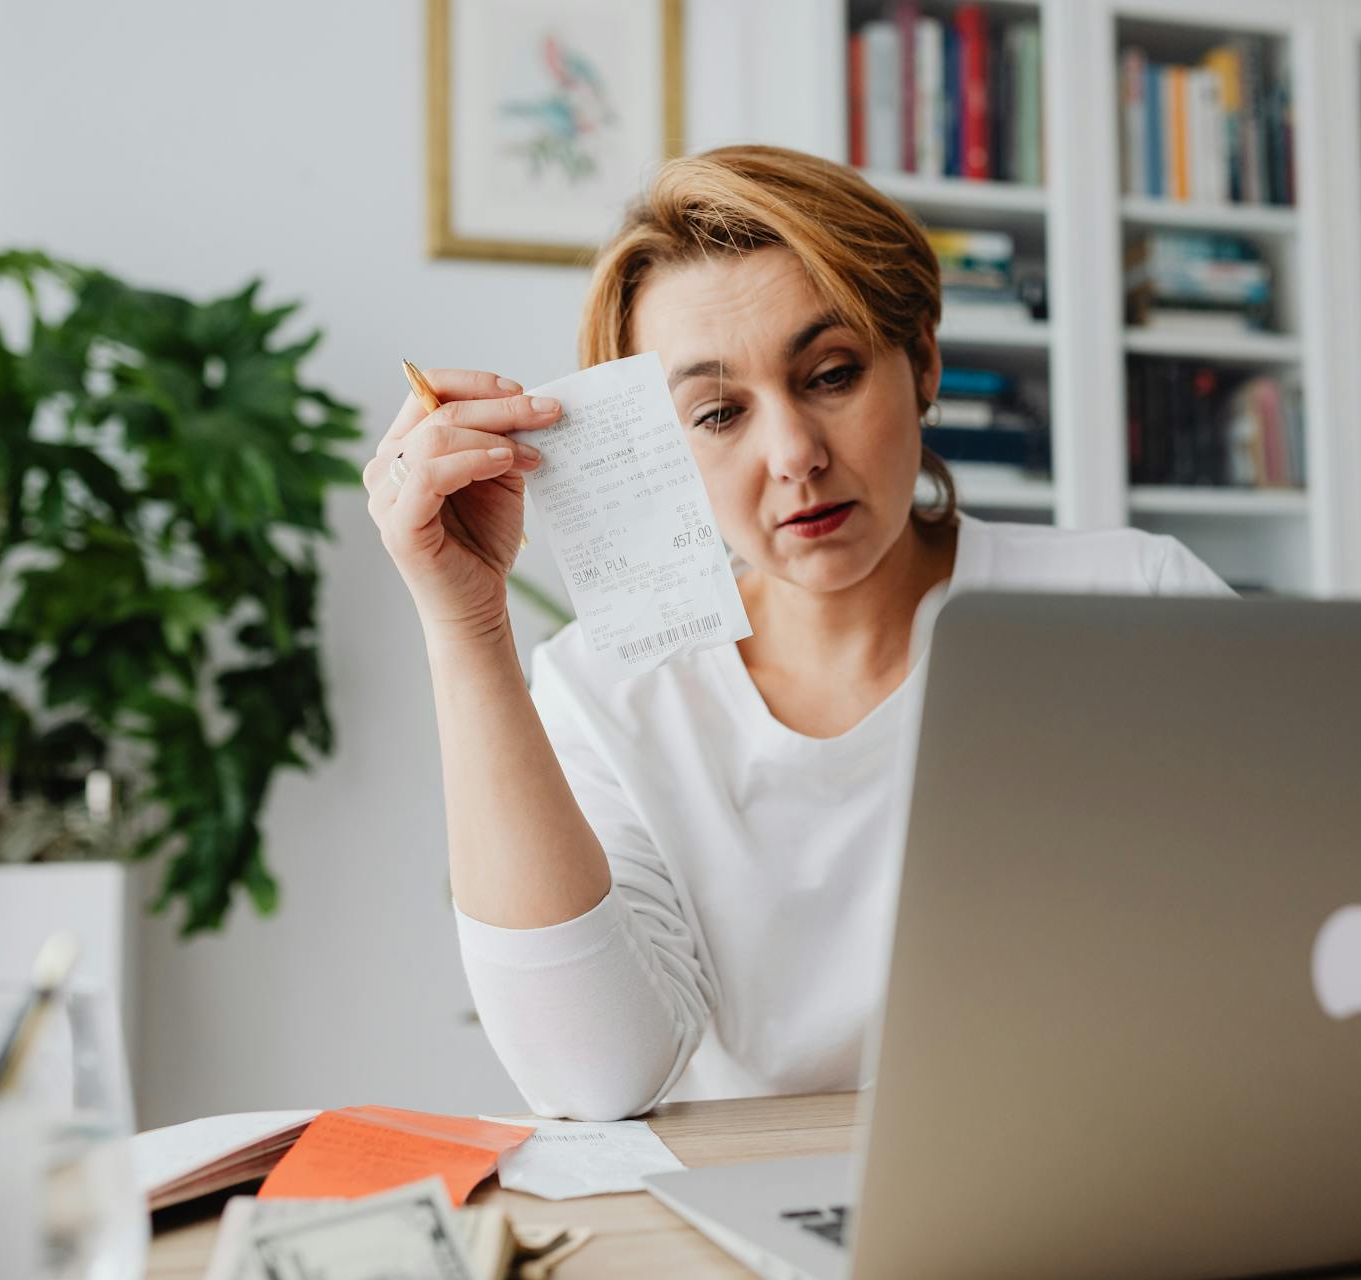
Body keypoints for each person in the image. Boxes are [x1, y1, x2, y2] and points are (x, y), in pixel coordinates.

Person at [364, 145, 1233, 1121]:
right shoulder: (610, 693)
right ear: (657, 445)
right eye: (719, 412)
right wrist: (466, 624)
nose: (794, 455)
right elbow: (593, 1076)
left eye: (831, 373)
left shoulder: (1138, 602)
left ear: (924, 361)